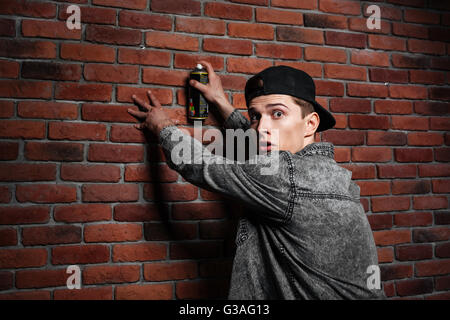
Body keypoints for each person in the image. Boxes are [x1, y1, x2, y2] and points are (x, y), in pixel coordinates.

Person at [127, 61, 386, 300]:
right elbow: (257, 141)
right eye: (255, 115)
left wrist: (162, 126)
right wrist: (220, 102)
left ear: (310, 124)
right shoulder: (322, 172)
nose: (262, 127)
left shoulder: (283, 176)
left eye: (278, 114)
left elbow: (199, 164)